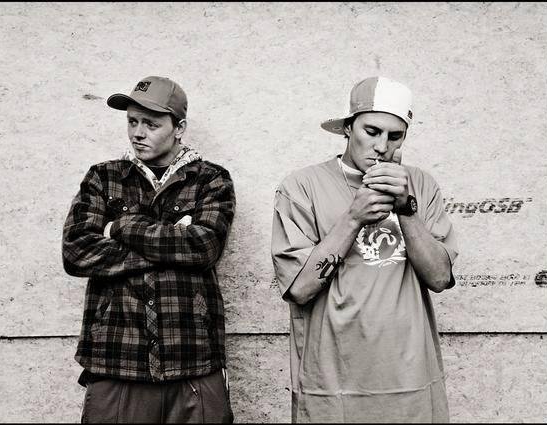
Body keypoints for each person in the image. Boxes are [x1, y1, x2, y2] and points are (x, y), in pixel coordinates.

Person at [271, 76, 458, 423]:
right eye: (371, 131)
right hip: (333, 380)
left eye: (395, 136)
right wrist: (353, 217)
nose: (382, 146)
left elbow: (439, 278)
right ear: (348, 128)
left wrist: (406, 210)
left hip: (410, 379)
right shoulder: (301, 186)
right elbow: (299, 289)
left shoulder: (420, 185)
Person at [62, 75, 235, 423]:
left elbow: (204, 247)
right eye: (132, 122)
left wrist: (120, 228)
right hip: (117, 358)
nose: (137, 133)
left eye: (151, 124)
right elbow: (77, 252)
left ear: (179, 128)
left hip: (192, 357)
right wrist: (174, 243)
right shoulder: (103, 177)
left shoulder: (210, 179)